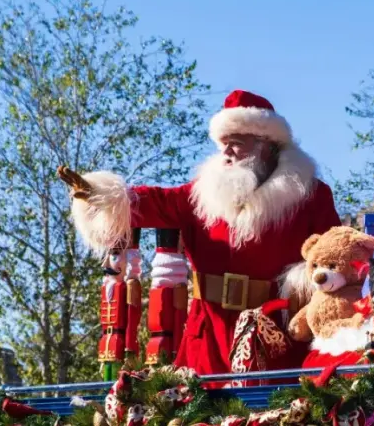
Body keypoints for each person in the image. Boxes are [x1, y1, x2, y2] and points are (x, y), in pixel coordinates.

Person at [58, 89, 341, 375]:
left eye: (236, 143)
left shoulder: (311, 196)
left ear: (265, 144)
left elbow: (336, 255)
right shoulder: (200, 193)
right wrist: (100, 194)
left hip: (277, 336)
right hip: (207, 336)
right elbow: (154, 202)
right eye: (224, 143)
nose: (226, 152)